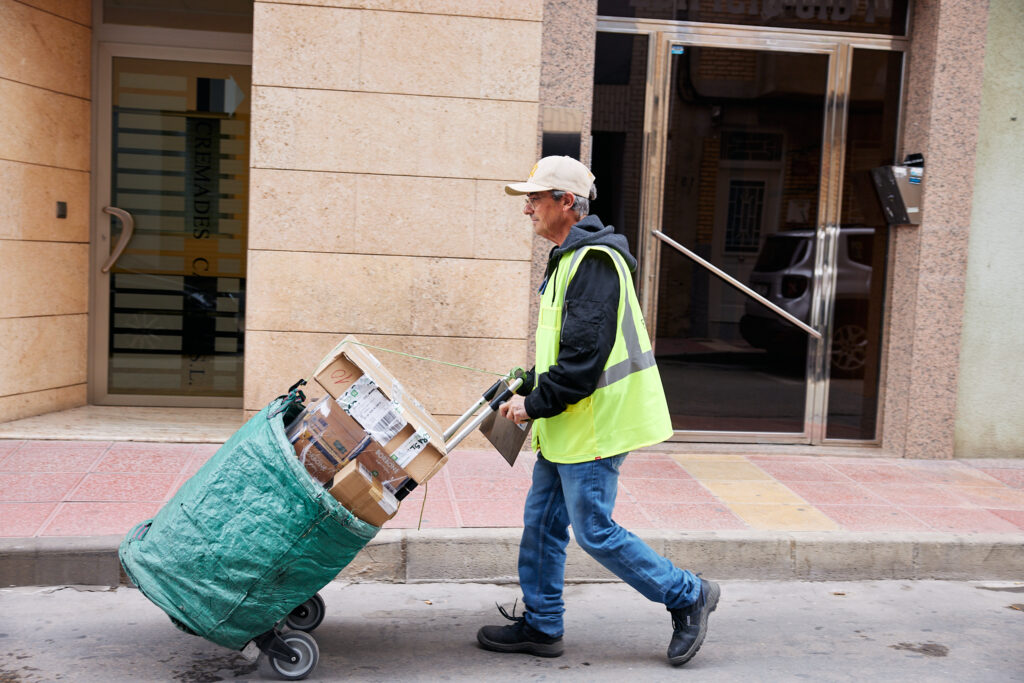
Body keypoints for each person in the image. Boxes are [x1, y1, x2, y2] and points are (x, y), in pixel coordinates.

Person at [476, 156, 720, 666]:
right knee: (542, 524)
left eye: (534, 199)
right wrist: (528, 382)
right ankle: (543, 625)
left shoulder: (593, 264)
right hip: (570, 424)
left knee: (594, 530)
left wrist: (532, 404)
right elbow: (567, 350)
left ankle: (688, 594)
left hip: (594, 426)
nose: (527, 209)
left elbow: (584, 363)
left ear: (567, 202)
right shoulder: (568, 259)